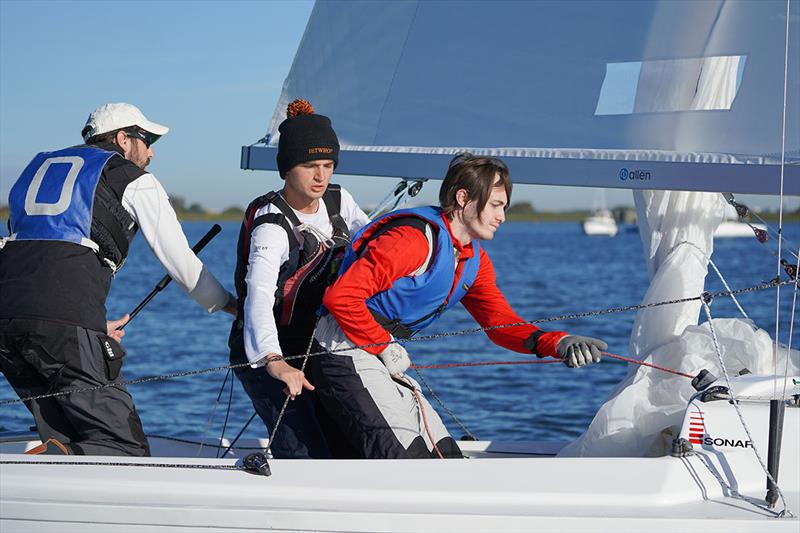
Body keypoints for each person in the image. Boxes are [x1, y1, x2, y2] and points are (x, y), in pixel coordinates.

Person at [312, 153, 607, 459]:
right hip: (342, 348)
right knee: (407, 457)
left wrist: (557, 343)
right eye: (495, 205)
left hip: (379, 352)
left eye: (504, 207)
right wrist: (382, 345)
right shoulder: (411, 240)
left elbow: (501, 325)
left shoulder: (473, 262)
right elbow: (341, 297)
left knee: (446, 454)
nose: (502, 216)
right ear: (463, 198)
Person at [0, 103, 236, 456]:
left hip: (7, 320)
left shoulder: (36, 168)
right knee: (125, 449)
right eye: (147, 139)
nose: (152, 151)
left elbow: (35, 248)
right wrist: (234, 306)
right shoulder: (131, 178)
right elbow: (181, 262)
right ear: (124, 139)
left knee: (64, 438)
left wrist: (91, 324)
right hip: (62, 322)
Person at [228, 99, 370, 459]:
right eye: (310, 166)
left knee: (349, 445)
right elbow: (258, 295)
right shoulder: (271, 225)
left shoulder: (341, 201)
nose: (321, 177)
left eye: (328, 165)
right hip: (268, 353)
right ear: (287, 169)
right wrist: (274, 361)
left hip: (318, 346)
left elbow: (375, 248)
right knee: (305, 453)